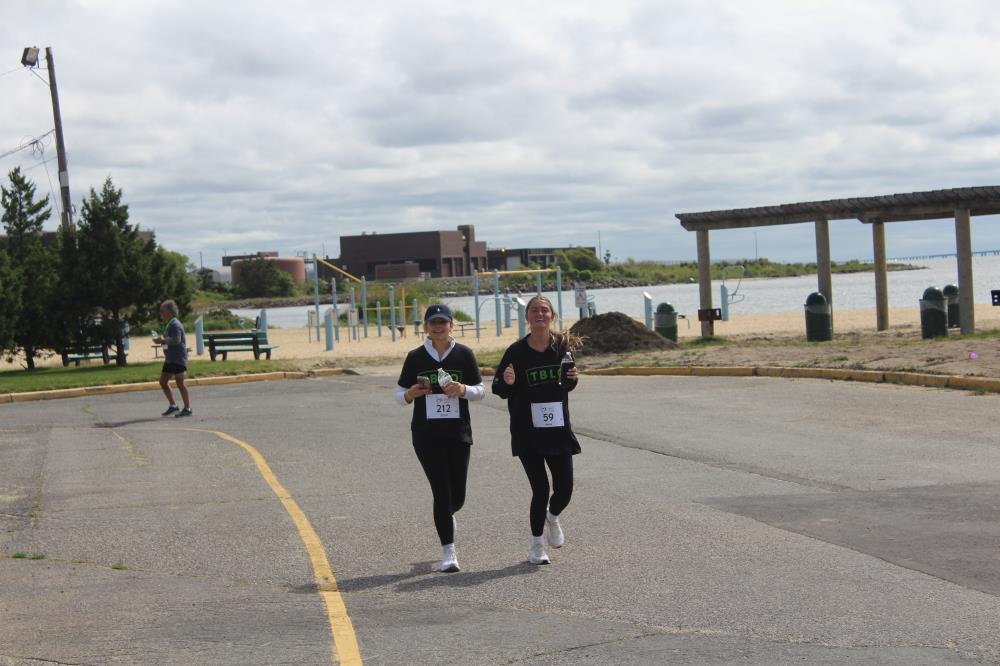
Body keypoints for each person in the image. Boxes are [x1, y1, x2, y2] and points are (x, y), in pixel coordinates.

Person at [492, 295, 582, 565]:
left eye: (544, 310)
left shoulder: (562, 348)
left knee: (564, 489)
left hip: (557, 429)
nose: (540, 314)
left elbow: (567, 384)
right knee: (540, 489)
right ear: (527, 317)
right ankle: (536, 546)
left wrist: (573, 379)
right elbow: (498, 388)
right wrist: (507, 382)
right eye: (534, 310)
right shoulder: (516, 352)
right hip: (527, 431)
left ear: (552, 316)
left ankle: (552, 517)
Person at [396, 304, 485, 572]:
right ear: (425, 327)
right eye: (433, 323)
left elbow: (481, 390)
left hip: (458, 432)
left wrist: (463, 389)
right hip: (426, 434)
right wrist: (410, 394)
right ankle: (449, 551)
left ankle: (447, 516)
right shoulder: (415, 357)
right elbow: (399, 395)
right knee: (441, 492)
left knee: (458, 496)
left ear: (451, 326)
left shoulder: (464, 354)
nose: (438, 327)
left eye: (442, 322)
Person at [153, 300, 192, 418]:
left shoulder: (175, 324)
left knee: (180, 382)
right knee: (163, 381)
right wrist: (161, 342)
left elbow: (176, 340)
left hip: (178, 358)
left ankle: (187, 408)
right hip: (170, 359)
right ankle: (173, 406)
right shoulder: (170, 324)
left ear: (169, 312)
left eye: (162, 311)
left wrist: (162, 340)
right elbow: (168, 341)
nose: (161, 313)